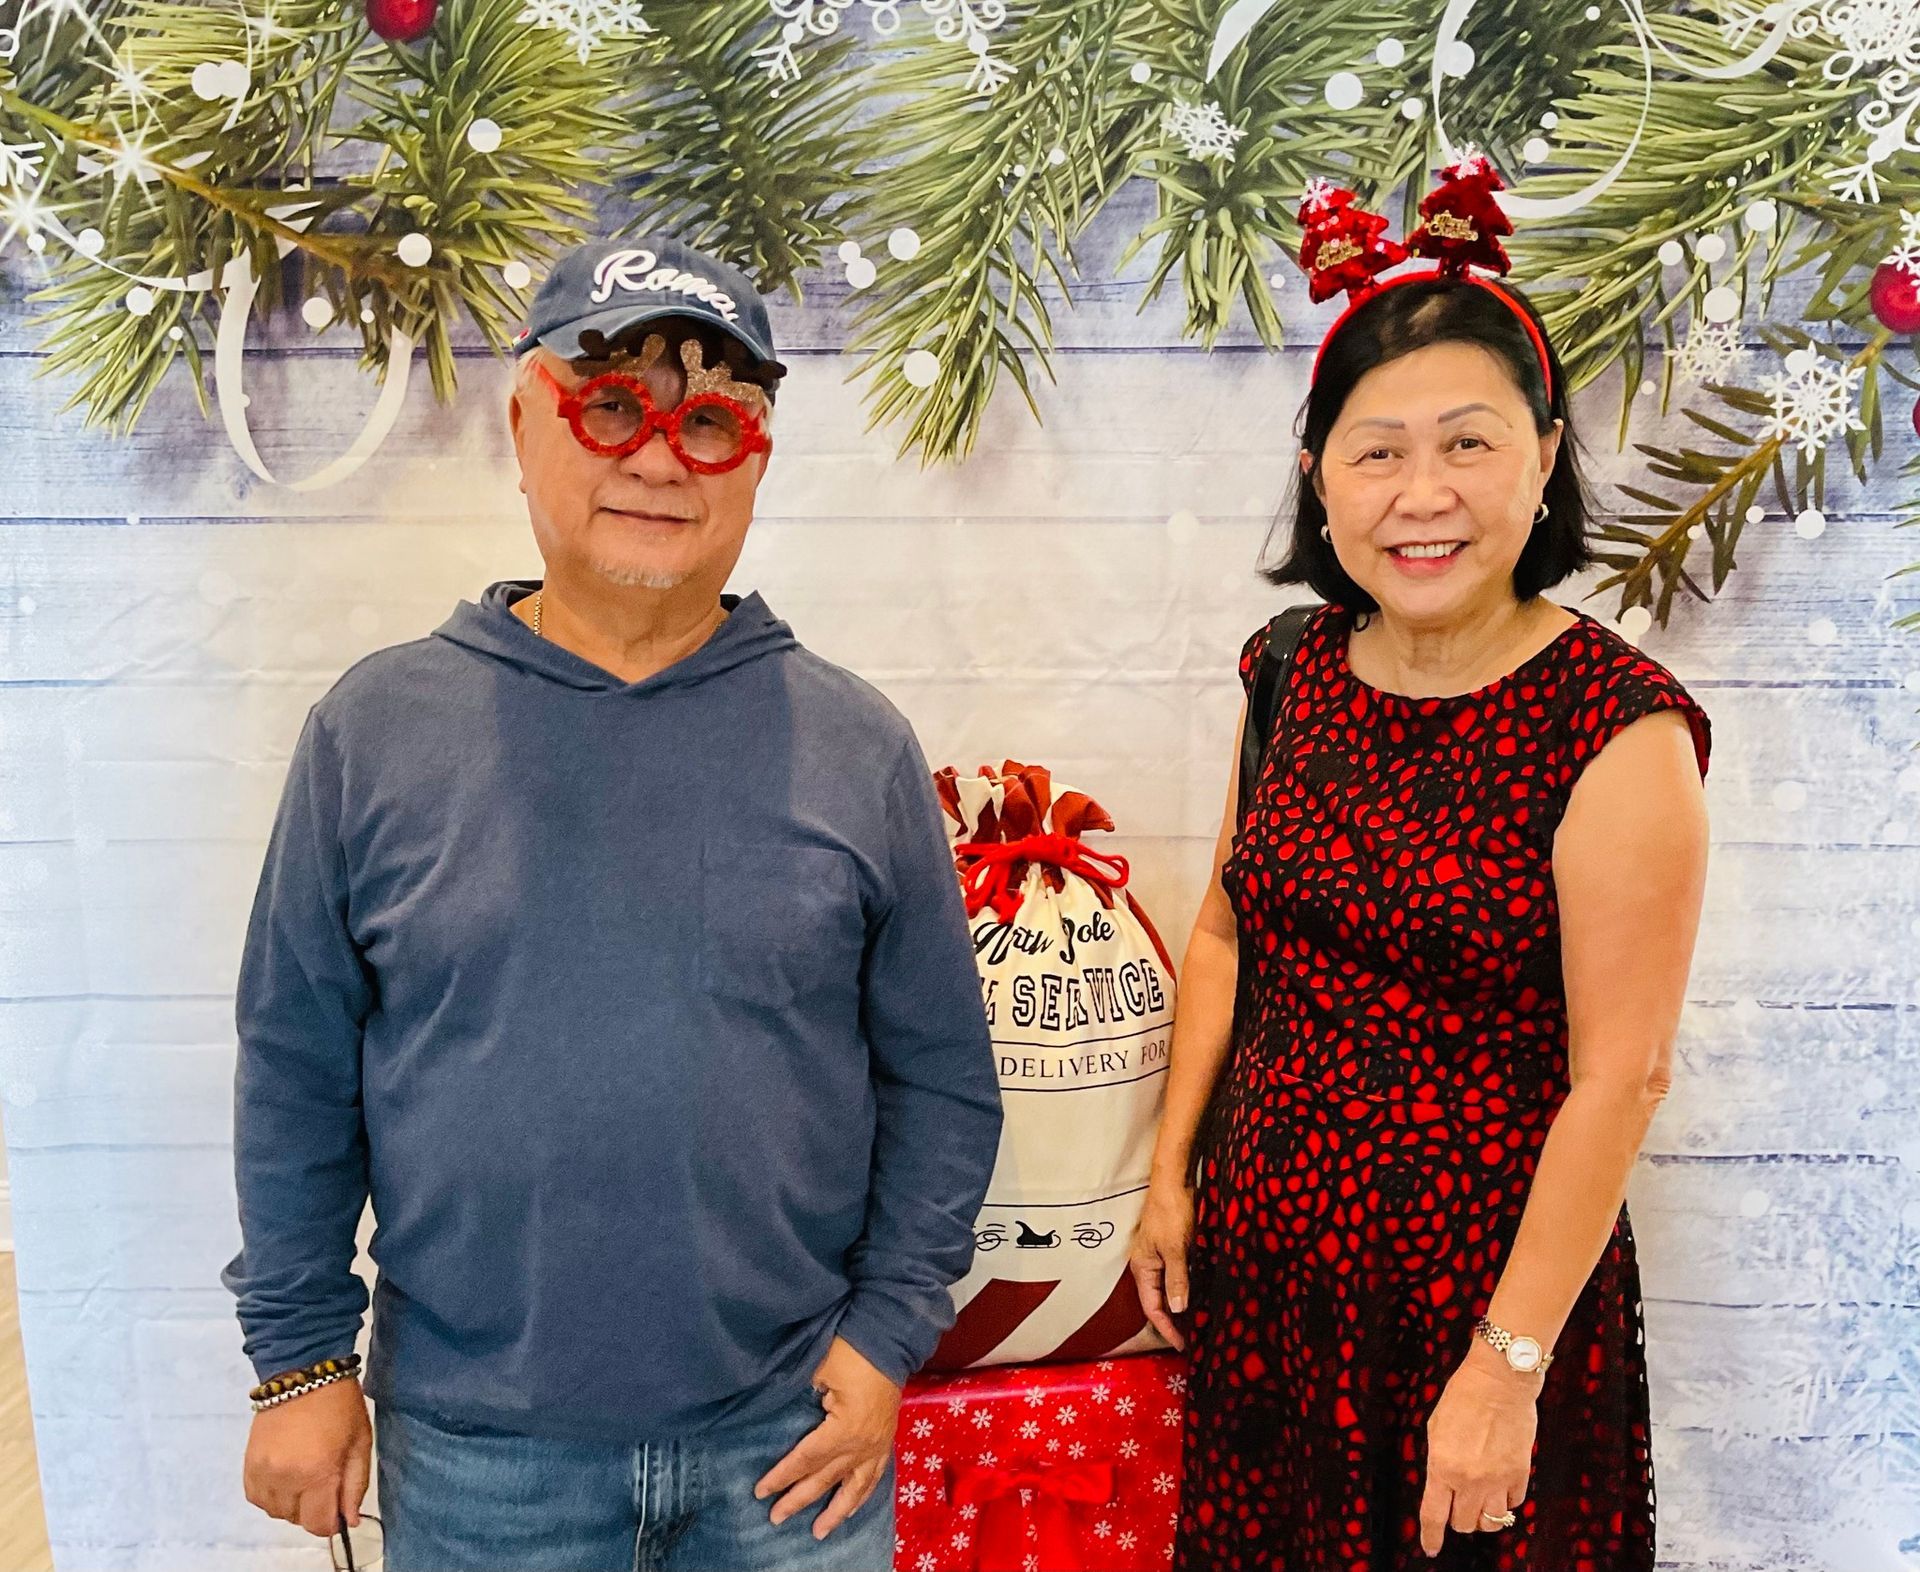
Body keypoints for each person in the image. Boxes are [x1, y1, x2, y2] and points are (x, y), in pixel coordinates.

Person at [224, 236, 1003, 1572]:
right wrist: (298, 1362)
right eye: (611, 408)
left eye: (708, 422)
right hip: (479, 1455)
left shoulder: (854, 745)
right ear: (526, 427)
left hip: (790, 1447)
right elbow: (297, 1070)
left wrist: (887, 1339)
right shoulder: (377, 729)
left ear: (755, 463)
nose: (656, 460)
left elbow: (940, 1082)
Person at [1130, 238, 1711, 1566]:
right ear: (1317, 478)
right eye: (1376, 450)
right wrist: (1172, 1174)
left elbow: (1620, 1080)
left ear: (1546, 456)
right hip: (1273, 1272)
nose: (1421, 492)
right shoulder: (1289, 671)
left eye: (1468, 442)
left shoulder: (1616, 733)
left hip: (1480, 1295)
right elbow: (1228, 929)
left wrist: (1508, 1370)